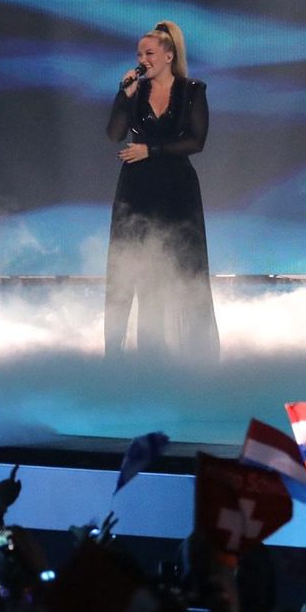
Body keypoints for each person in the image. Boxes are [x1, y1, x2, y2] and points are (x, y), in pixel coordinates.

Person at [104, 20, 219, 359]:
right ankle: (133, 352)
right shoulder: (135, 92)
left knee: (183, 263)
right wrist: (122, 96)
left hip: (176, 187)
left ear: (169, 56)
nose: (143, 60)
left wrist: (150, 151)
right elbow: (114, 134)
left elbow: (196, 141)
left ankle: (191, 352)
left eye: (149, 54)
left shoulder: (192, 91)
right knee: (133, 263)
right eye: (139, 54)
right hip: (136, 188)